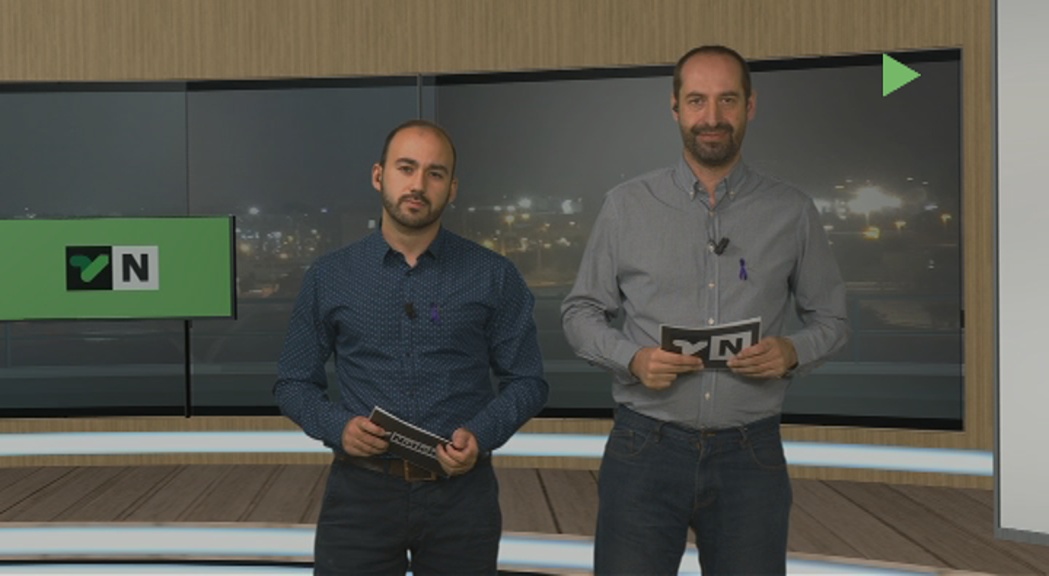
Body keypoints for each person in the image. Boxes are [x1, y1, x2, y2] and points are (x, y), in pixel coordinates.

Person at [561, 45, 849, 575]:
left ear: (750, 106)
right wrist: (632, 360)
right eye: (697, 100)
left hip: (751, 455)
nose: (711, 117)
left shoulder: (793, 211)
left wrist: (791, 352)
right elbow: (580, 312)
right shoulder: (626, 206)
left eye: (727, 100)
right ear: (675, 108)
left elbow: (832, 320)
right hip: (643, 449)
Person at [274, 119, 549, 575]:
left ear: (451, 188)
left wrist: (481, 435)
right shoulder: (330, 276)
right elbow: (293, 383)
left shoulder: (494, 275)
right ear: (378, 175)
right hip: (360, 496)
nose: (418, 184)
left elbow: (528, 381)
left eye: (435, 173)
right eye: (406, 168)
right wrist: (338, 427)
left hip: (462, 497)